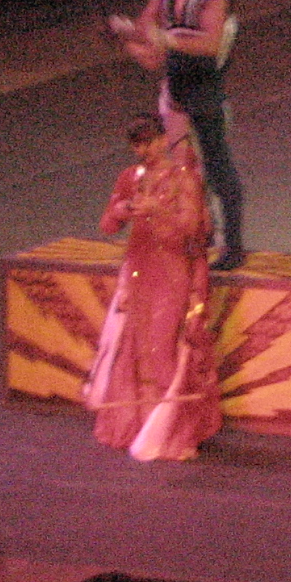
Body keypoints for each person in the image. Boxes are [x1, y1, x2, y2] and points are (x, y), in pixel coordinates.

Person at [81, 114, 222, 462]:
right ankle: (142, 426)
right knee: (136, 350)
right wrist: (122, 209)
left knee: (163, 350)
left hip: (173, 271)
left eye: (149, 141)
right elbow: (107, 225)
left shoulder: (183, 177)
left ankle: (176, 432)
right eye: (137, 144)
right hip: (139, 269)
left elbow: (194, 230)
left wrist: (157, 208)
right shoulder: (131, 177)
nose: (143, 150)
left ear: (162, 139)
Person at [110, 0, 244, 269]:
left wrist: (165, 38)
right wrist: (128, 35)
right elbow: (148, 37)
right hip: (175, 93)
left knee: (217, 168)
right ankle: (195, 235)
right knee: (181, 170)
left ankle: (233, 245)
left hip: (204, 93)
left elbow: (211, 43)